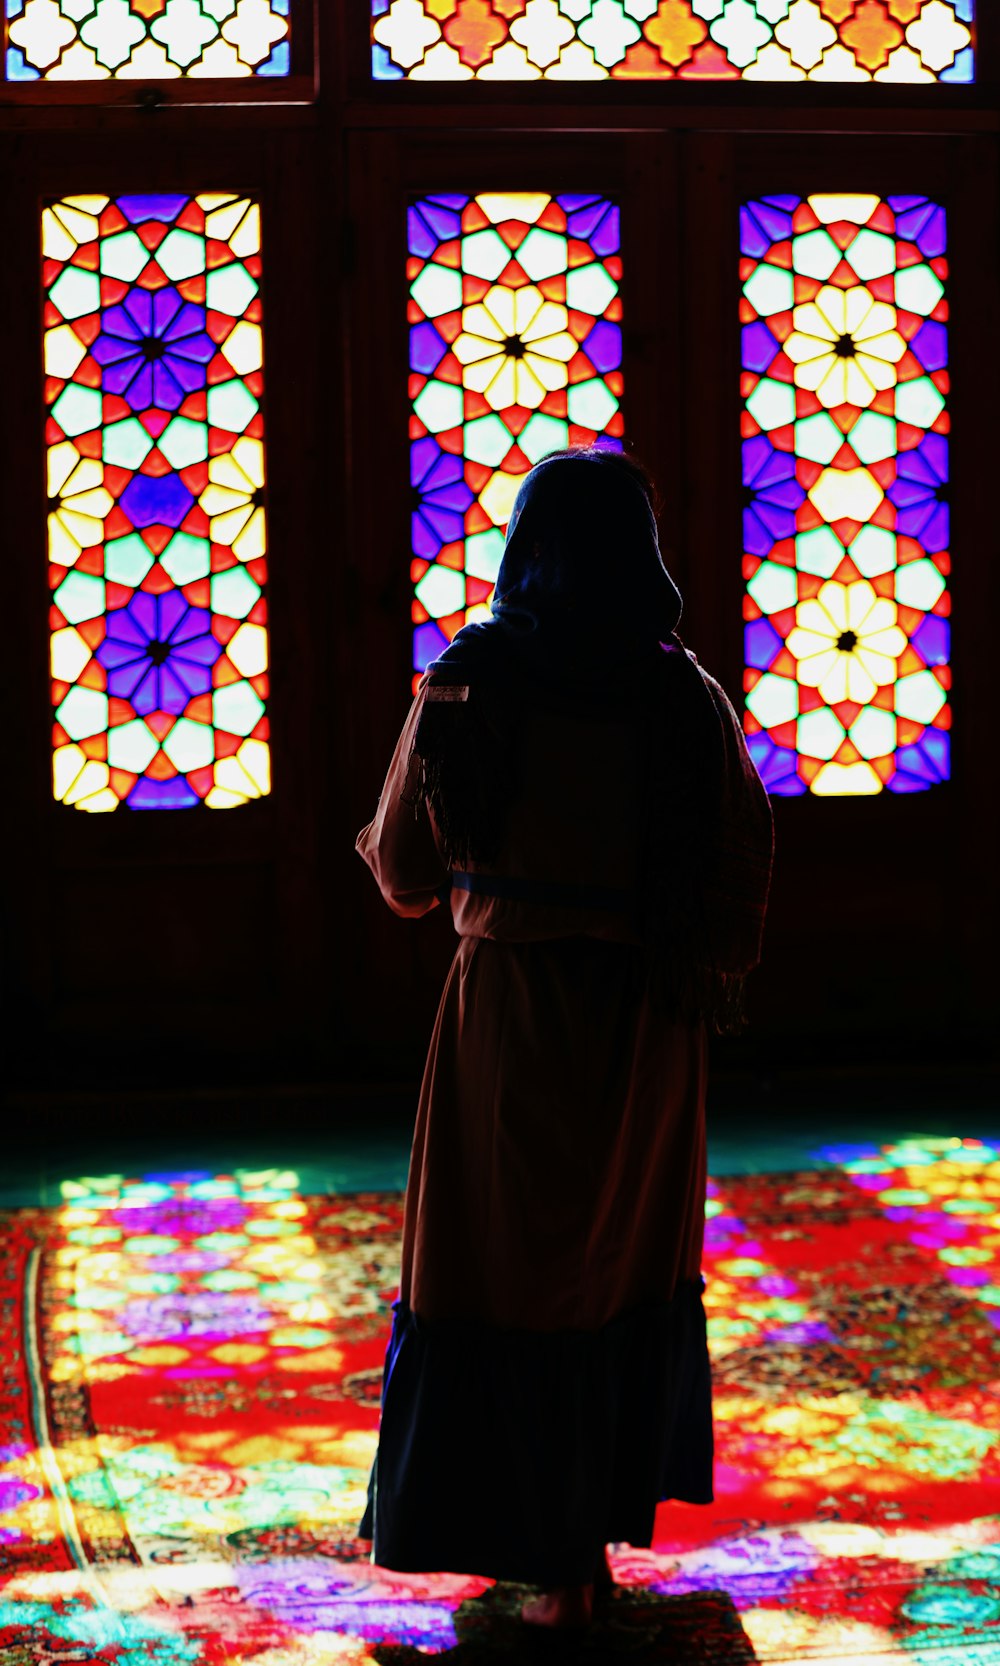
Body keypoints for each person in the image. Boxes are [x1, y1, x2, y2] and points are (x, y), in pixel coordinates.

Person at [355, 447, 773, 1629]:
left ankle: (519, 1539)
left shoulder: (471, 685)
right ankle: (581, 1553)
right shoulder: (680, 699)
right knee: (613, 1272)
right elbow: (735, 880)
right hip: (647, 1030)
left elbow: (399, 872)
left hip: (510, 1021)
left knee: (497, 1275)